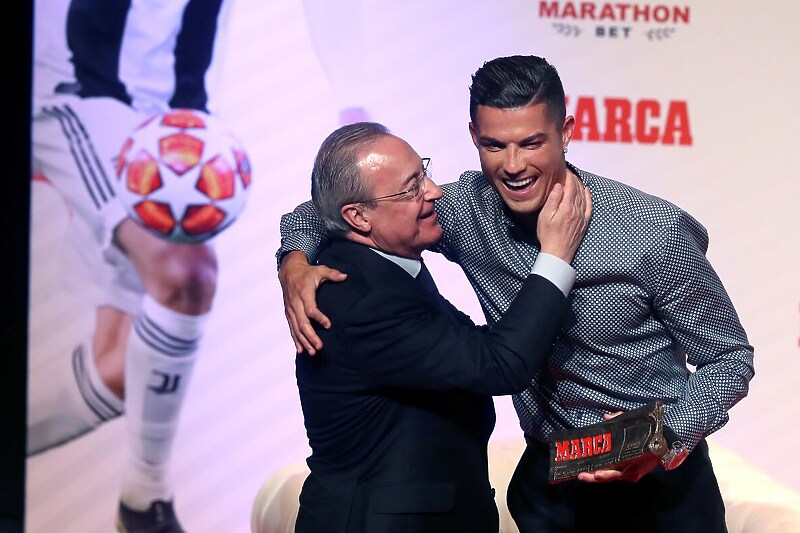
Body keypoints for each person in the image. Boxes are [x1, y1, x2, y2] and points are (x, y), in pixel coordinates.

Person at [276, 55, 755, 531]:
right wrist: (294, 260)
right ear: (473, 138)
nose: (513, 166)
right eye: (494, 145)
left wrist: (660, 436)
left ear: (566, 131)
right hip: (549, 485)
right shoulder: (465, 211)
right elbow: (332, 207)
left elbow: (731, 358)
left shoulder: (649, 230)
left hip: (657, 489)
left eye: (531, 143)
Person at [292, 121, 590, 532]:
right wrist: (556, 255)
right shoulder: (362, 298)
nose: (434, 191)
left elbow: (466, 347)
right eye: (411, 187)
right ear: (358, 217)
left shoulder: (388, 267)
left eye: (424, 173)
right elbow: (500, 364)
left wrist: (291, 257)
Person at [30, 0, 231, 530]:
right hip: (76, 92)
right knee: (184, 271)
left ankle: (140, 501)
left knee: (123, 368)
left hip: (169, 125)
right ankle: (145, 502)